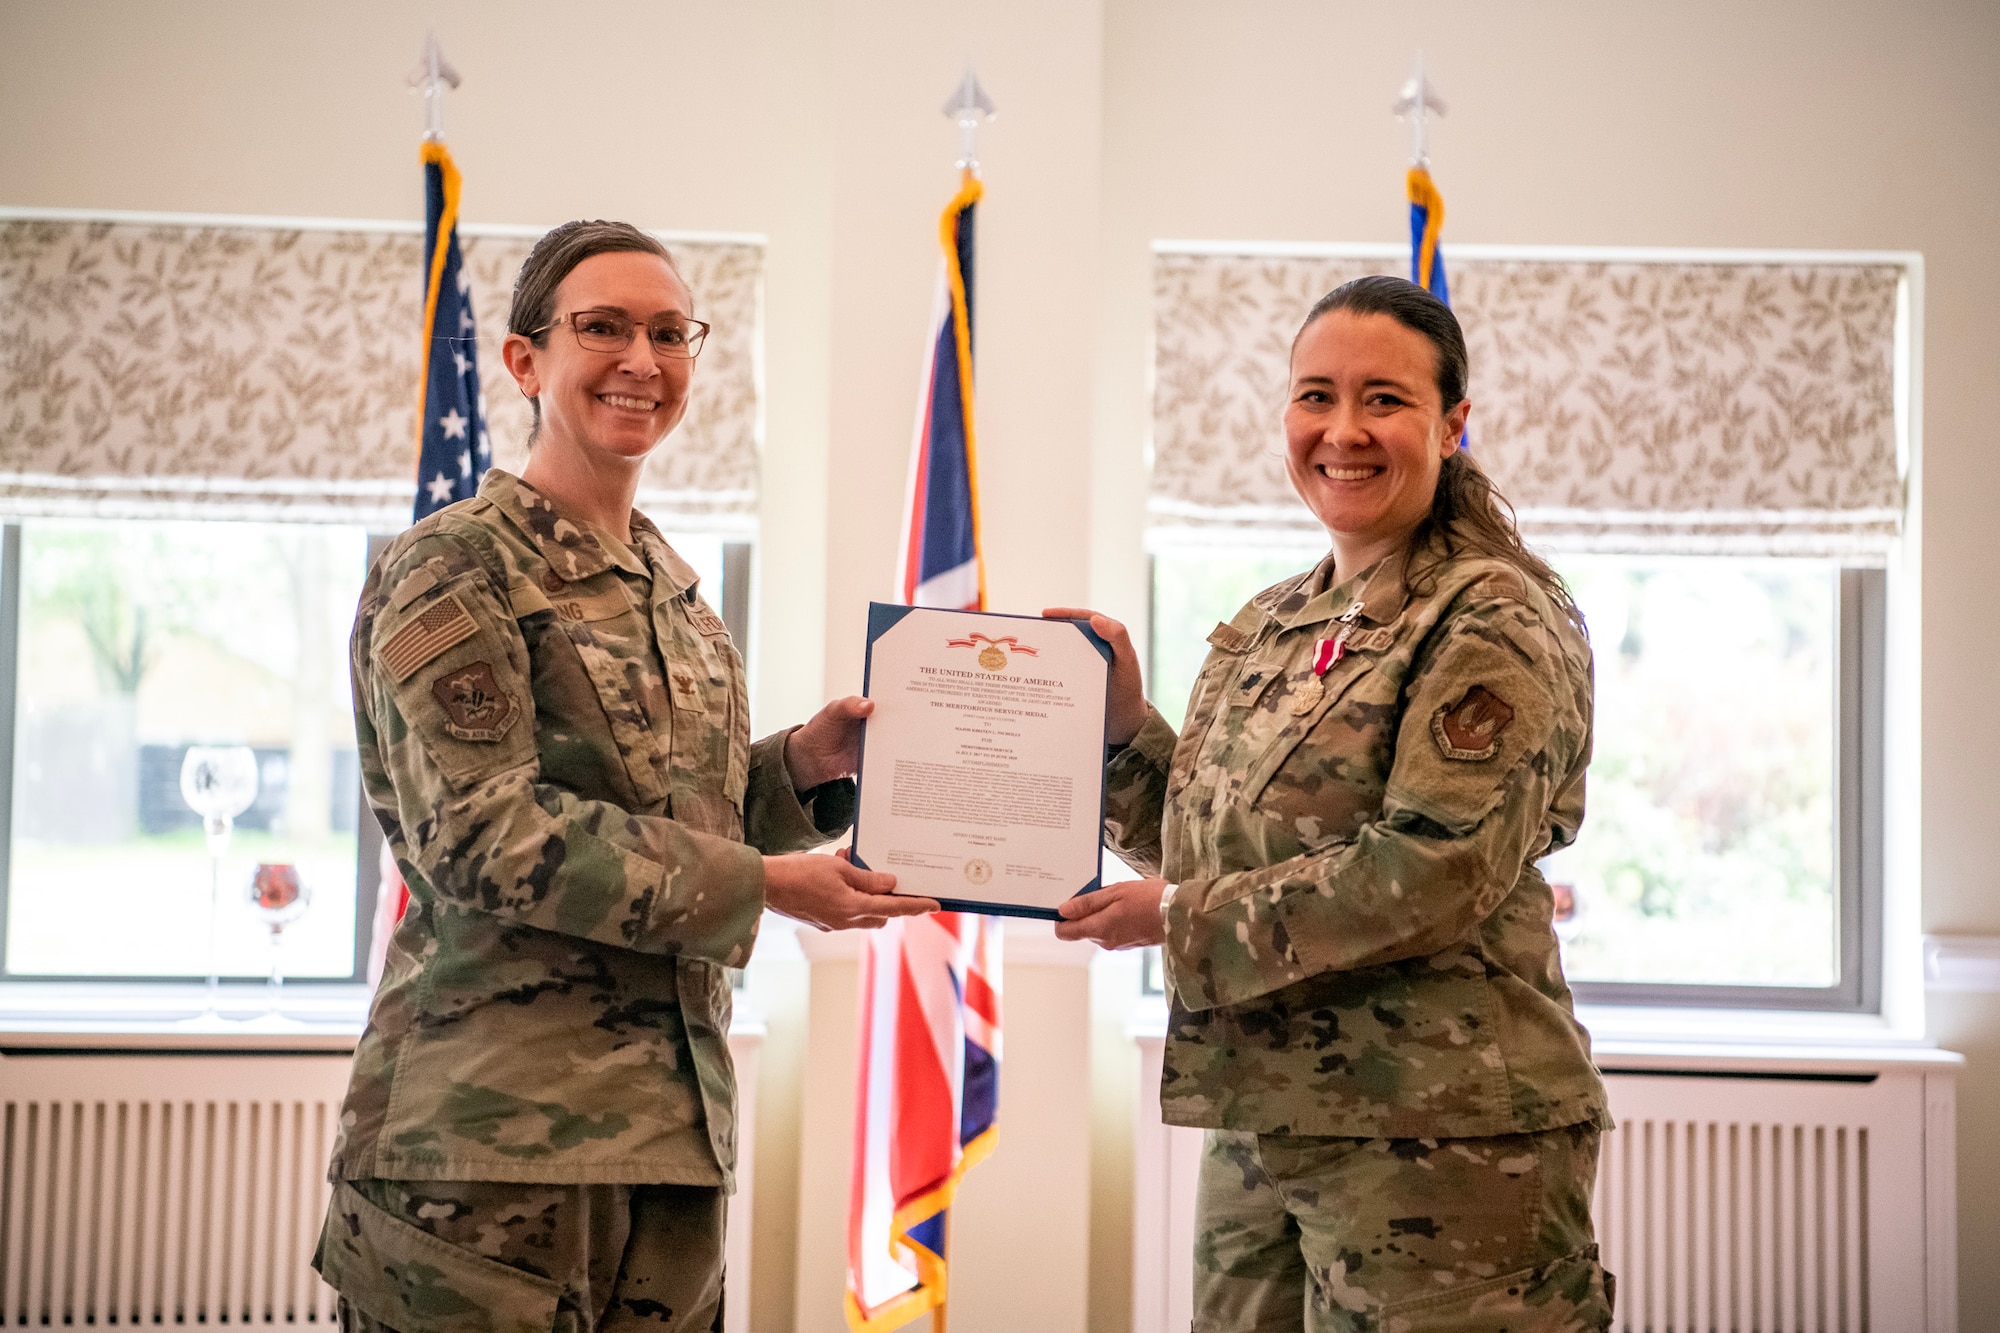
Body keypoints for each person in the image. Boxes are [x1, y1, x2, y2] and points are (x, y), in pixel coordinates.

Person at [314, 220, 936, 1332]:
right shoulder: (454, 565)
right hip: (487, 1158)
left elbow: (671, 816)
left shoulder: (669, 588)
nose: (641, 360)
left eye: (667, 332)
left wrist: (803, 766)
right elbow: (485, 836)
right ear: (524, 359)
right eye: (601, 327)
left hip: (667, 1141)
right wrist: (769, 886)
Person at [1049, 275, 1615, 1331]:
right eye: (1314, 396)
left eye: (1383, 400)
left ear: (1451, 426)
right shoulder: (1278, 615)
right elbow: (1207, 838)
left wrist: (1175, 919)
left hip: (1441, 1142)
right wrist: (1121, 730)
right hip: (1264, 1114)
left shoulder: (1491, 615)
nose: (1341, 431)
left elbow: (1431, 871)